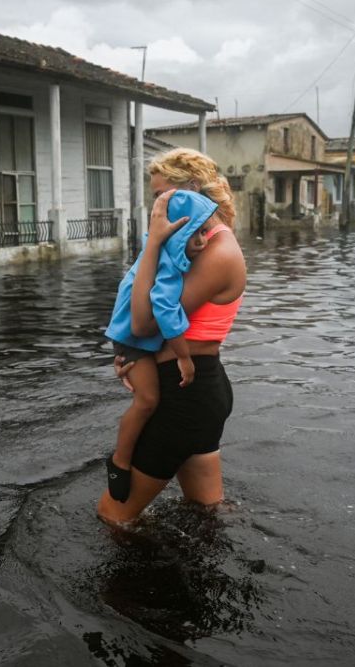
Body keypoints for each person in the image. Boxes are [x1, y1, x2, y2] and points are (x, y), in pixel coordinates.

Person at [97, 148, 246, 524]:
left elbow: (145, 322)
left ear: (191, 189)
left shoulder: (218, 250)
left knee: (113, 517)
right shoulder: (193, 243)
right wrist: (135, 358)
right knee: (206, 512)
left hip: (186, 397)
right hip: (191, 391)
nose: (156, 209)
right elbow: (146, 328)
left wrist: (151, 245)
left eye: (161, 196)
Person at [103, 189, 220, 503]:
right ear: (175, 233)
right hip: (133, 340)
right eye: (193, 234)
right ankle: (120, 462)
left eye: (205, 232)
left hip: (132, 339)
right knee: (147, 400)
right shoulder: (167, 266)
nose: (203, 241)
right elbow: (164, 310)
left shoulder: (162, 253)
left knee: (148, 401)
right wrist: (184, 357)